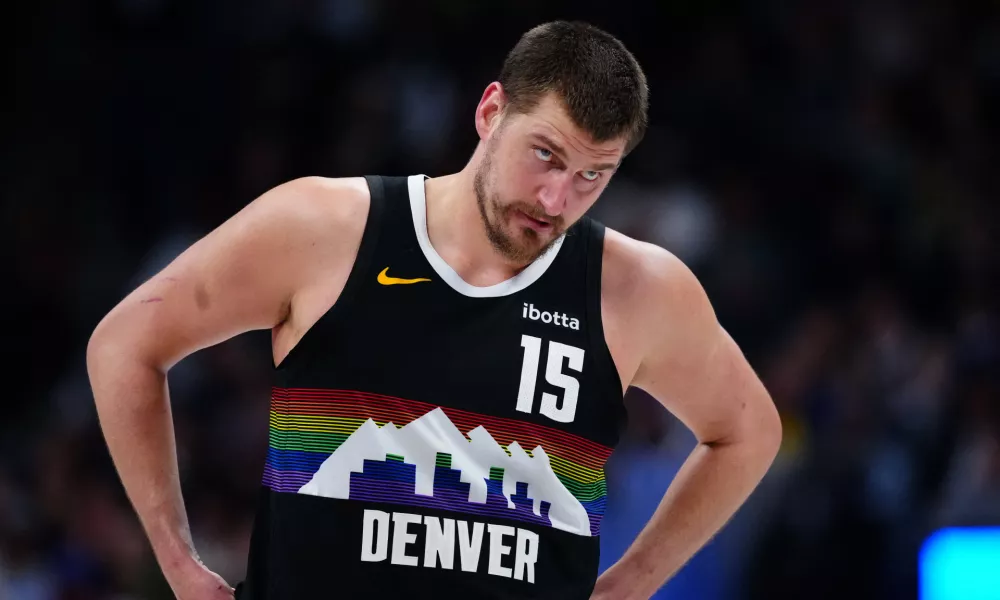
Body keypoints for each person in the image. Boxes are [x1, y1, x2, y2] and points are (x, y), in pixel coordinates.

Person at [86, 20, 781, 600]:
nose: (554, 201)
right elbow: (125, 344)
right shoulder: (327, 227)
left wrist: (630, 583)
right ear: (490, 112)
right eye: (544, 155)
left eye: (591, 177)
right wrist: (178, 566)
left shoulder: (637, 288)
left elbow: (749, 433)